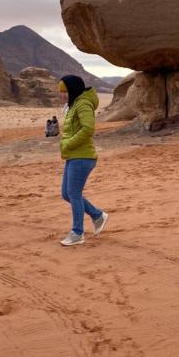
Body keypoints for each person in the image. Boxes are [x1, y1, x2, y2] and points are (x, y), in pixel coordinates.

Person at [58, 74, 108, 246]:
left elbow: (88, 128)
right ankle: (97, 215)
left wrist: (69, 143)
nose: (62, 95)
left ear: (72, 90)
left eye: (64, 91)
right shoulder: (73, 104)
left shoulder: (83, 103)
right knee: (67, 194)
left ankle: (77, 233)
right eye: (60, 92)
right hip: (73, 155)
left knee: (74, 194)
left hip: (82, 156)